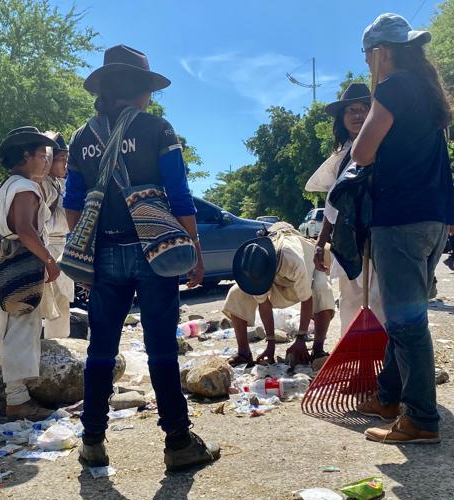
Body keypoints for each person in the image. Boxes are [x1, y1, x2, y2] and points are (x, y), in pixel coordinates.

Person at [65, 44, 218, 471]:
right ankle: (178, 441)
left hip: (105, 253)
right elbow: (180, 196)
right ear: (140, 88)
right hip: (156, 252)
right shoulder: (158, 130)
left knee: (100, 349)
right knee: (161, 348)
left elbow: (73, 206)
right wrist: (194, 249)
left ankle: (92, 441)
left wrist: (86, 253)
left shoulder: (81, 138)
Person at [349, 13, 454, 445]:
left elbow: (361, 152)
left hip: (401, 218)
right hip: (433, 217)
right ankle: (389, 396)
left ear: (381, 52)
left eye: (366, 56)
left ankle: (421, 419)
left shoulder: (393, 87)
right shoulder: (429, 94)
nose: (367, 64)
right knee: (405, 314)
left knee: (407, 322)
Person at [0, 126, 61, 422]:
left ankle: (16, 393)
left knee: (12, 324)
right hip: (24, 264)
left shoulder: (4, 186)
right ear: (25, 155)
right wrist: (49, 260)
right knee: (22, 326)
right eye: (42, 156)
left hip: (6, 263)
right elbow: (26, 230)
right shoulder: (25, 188)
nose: (46, 162)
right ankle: (18, 401)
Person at [306, 82, 384, 332]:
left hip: (379, 232)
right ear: (342, 117)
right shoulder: (340, 157)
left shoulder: (385, 147)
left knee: (379, 297)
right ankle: (352, 351)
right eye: (351, 110)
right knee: (350, 299)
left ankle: (383, 352)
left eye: (364, 108)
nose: (358, 115)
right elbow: (333, 205)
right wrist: (321, 242)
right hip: (347, 238)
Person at [222, 223, 334, 368]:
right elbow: (264, 304)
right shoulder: (256, 264)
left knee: (322, 288)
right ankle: (244, 353)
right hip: (277, 279)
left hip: (310, 271)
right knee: (236, 292)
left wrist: (300, 339)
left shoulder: (293, 260)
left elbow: (307, 300)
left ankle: (318, 350)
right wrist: (271, 343)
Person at [41, 132, 74, 339]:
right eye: (62, 159)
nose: (65, 164)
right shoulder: (41, 185)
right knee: (44, 307)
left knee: (61, 306)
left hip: (61, 248)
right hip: (47, 249)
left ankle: (58, 348)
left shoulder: (59, 184)